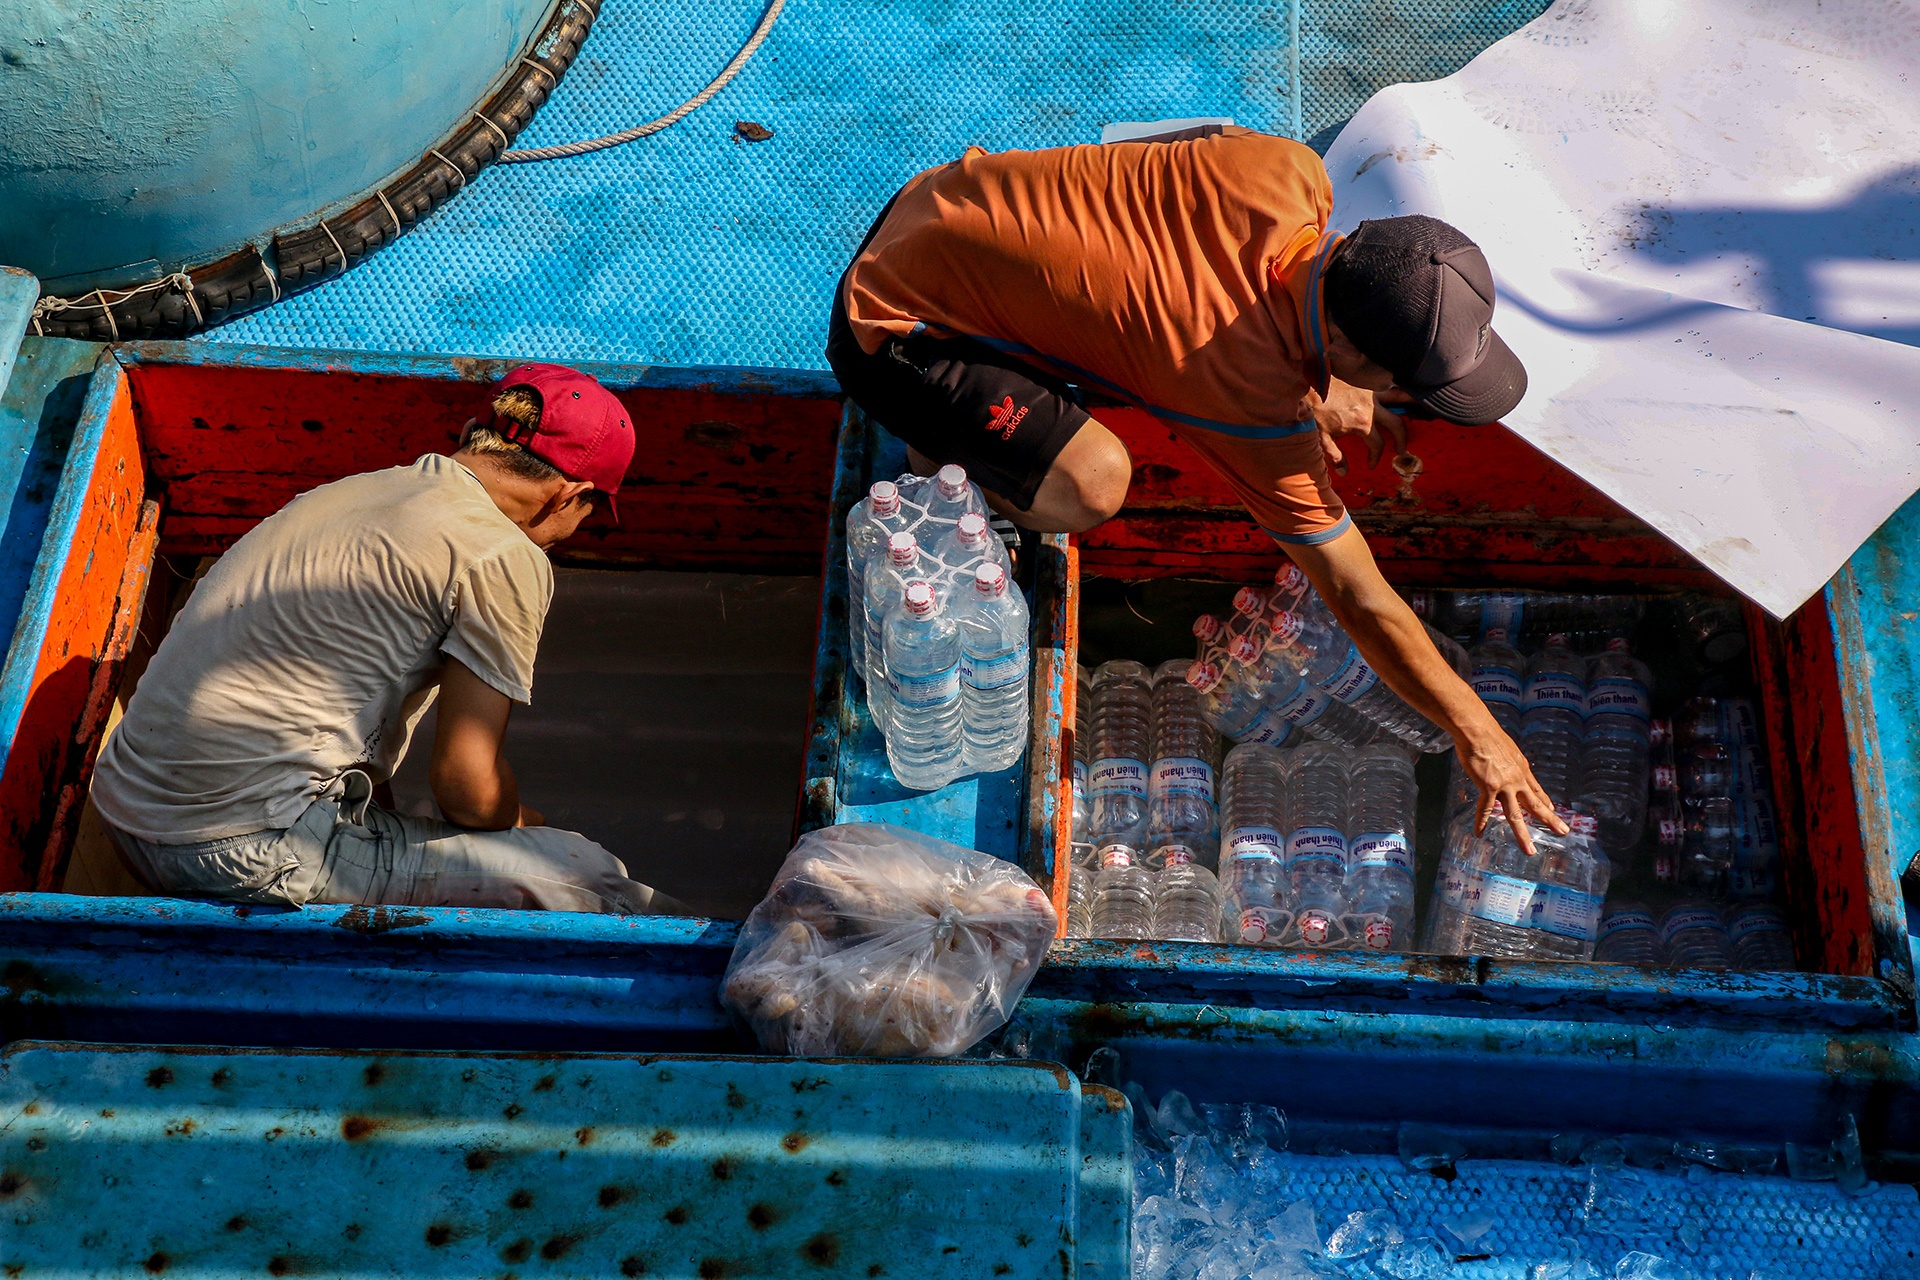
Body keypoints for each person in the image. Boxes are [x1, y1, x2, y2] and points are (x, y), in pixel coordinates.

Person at [827, 125, 1566, 849]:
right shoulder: (1237, 388)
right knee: (1092, 483)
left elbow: (1133, 153)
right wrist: (1480, 732)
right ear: (1344, 344)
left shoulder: (1288, 169)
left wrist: (1318, 378)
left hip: (937, 200)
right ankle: (939, 463)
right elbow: (1356, 595)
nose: (1405, 395)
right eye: (1404, 381)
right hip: (894, 323)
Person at [90, 364, 684, 914]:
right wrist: (523, 823)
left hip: (125, 809)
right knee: (590, 877)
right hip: (240, 843)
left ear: (474, 434)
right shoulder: (502, 552)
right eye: (587, 514)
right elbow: (465, 789)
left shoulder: (357, 490)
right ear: (570, 495)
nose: (573, 532)